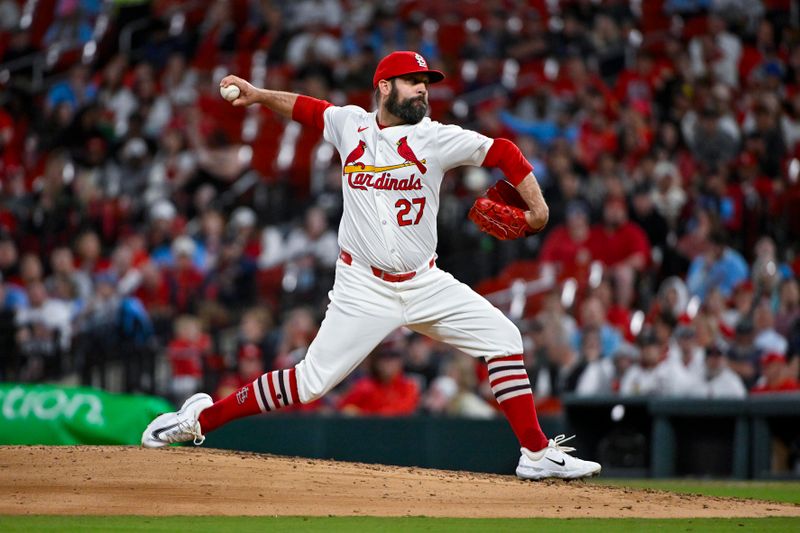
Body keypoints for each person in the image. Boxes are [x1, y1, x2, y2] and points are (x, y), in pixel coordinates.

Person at [142, 51, 601, 480]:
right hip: (362, 286)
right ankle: (198, 419)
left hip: (424, 282)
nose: (423, 90)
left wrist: (538, 212)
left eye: (426, 83)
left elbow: (503, 152)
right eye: (412, 82)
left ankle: (537, 454)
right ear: (384, 87)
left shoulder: (434, 137)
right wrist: (260, 95)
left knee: (504, 338)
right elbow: (306, 108)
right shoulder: (350, 125)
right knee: (309, 383)